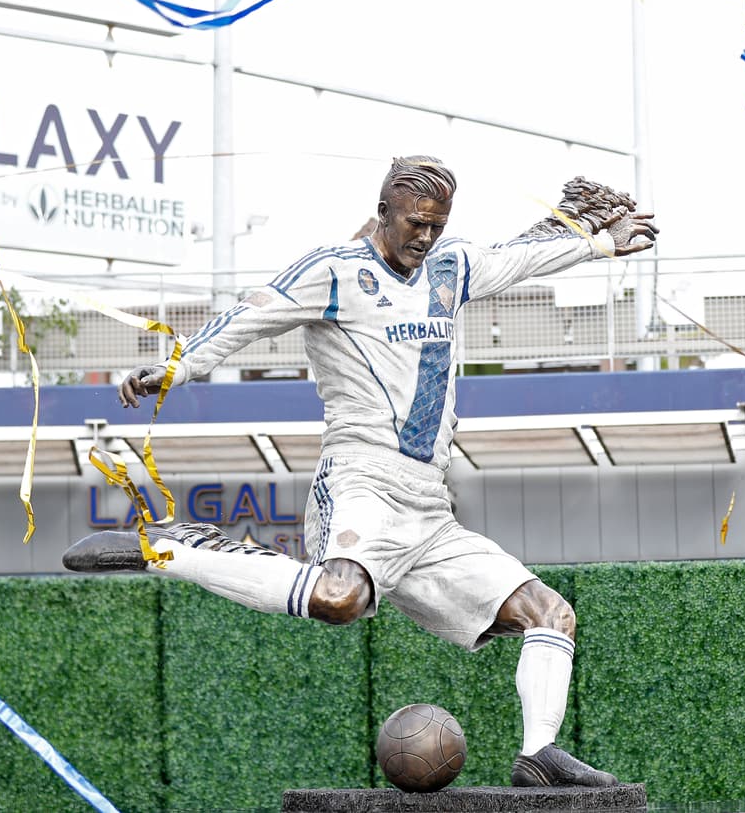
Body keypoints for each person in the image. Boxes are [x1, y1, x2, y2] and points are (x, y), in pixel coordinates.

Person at [63, 155, 658, 788]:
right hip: (361, 479)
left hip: (430, 508)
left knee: (550, 614)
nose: (424, 237)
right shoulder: (335, 271)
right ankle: (177, 548)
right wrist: (178, 366)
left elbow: (519, 257)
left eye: (436, 223)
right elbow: (251, 313)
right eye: (414, 223)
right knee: (340, 599)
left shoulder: (451, 267)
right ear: (383, 213)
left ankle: (537, 755)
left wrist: (596, 243)